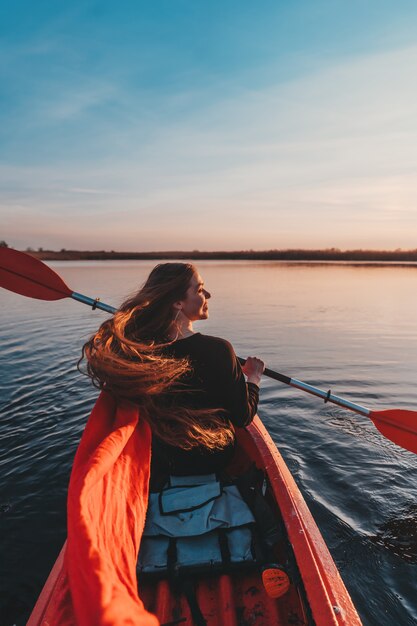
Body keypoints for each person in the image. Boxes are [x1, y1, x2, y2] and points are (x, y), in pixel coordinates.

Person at [79, 262, 265, 485]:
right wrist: (253, 377)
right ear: (177, 302)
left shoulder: (137, 353)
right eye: (199, 289)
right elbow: (243, 417)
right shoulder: (219, 350)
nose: (208, 294)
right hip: (214, 459)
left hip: (160, 462)